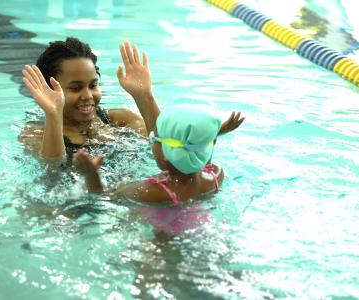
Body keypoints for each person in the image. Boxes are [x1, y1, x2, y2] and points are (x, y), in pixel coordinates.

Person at [19, 37, 160, 159]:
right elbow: (52, 169)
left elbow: (165, 147)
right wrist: (53, 114)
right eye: (76, 88)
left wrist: (144, 97)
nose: (88, 96)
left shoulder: (119, 120)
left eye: (93, 85)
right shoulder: (36, 134)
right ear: (48, 89)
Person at [72, 105, 244, 204]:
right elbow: (201, 152)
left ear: (165, 154)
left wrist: (90, 173)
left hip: (162, 248)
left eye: (154, 137)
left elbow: (100, 196)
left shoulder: (150, 192)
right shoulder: (215, 176)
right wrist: (215, 133)